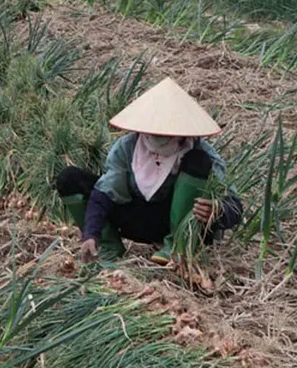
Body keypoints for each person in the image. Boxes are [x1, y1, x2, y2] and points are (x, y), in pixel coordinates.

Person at [56, 77, 243, 269]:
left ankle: (177, 247)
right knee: (70, 179)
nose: (159, 136)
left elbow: (234, 206)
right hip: (137, 218)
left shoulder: (202, 153)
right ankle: (106, 247)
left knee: (198, 161)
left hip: (180, 223)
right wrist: (91, 233)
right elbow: (105, 192)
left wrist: (217, 212)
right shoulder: (127, 148)